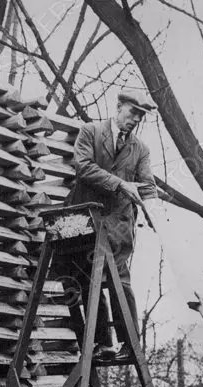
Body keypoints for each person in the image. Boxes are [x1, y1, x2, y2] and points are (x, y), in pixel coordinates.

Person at [59, 89, 162, 363]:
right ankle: (102, 343)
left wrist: (156, 210)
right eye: (132, 113)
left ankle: (131, 344)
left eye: (140, 117)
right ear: (118, 107)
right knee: (85, 280)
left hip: (118, 223)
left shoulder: (140, 149)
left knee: (119, 280)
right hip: (83, 220)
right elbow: (83, 167)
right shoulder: (90, 132)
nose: (135, 120)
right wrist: (119, 184)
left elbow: (148, 185)